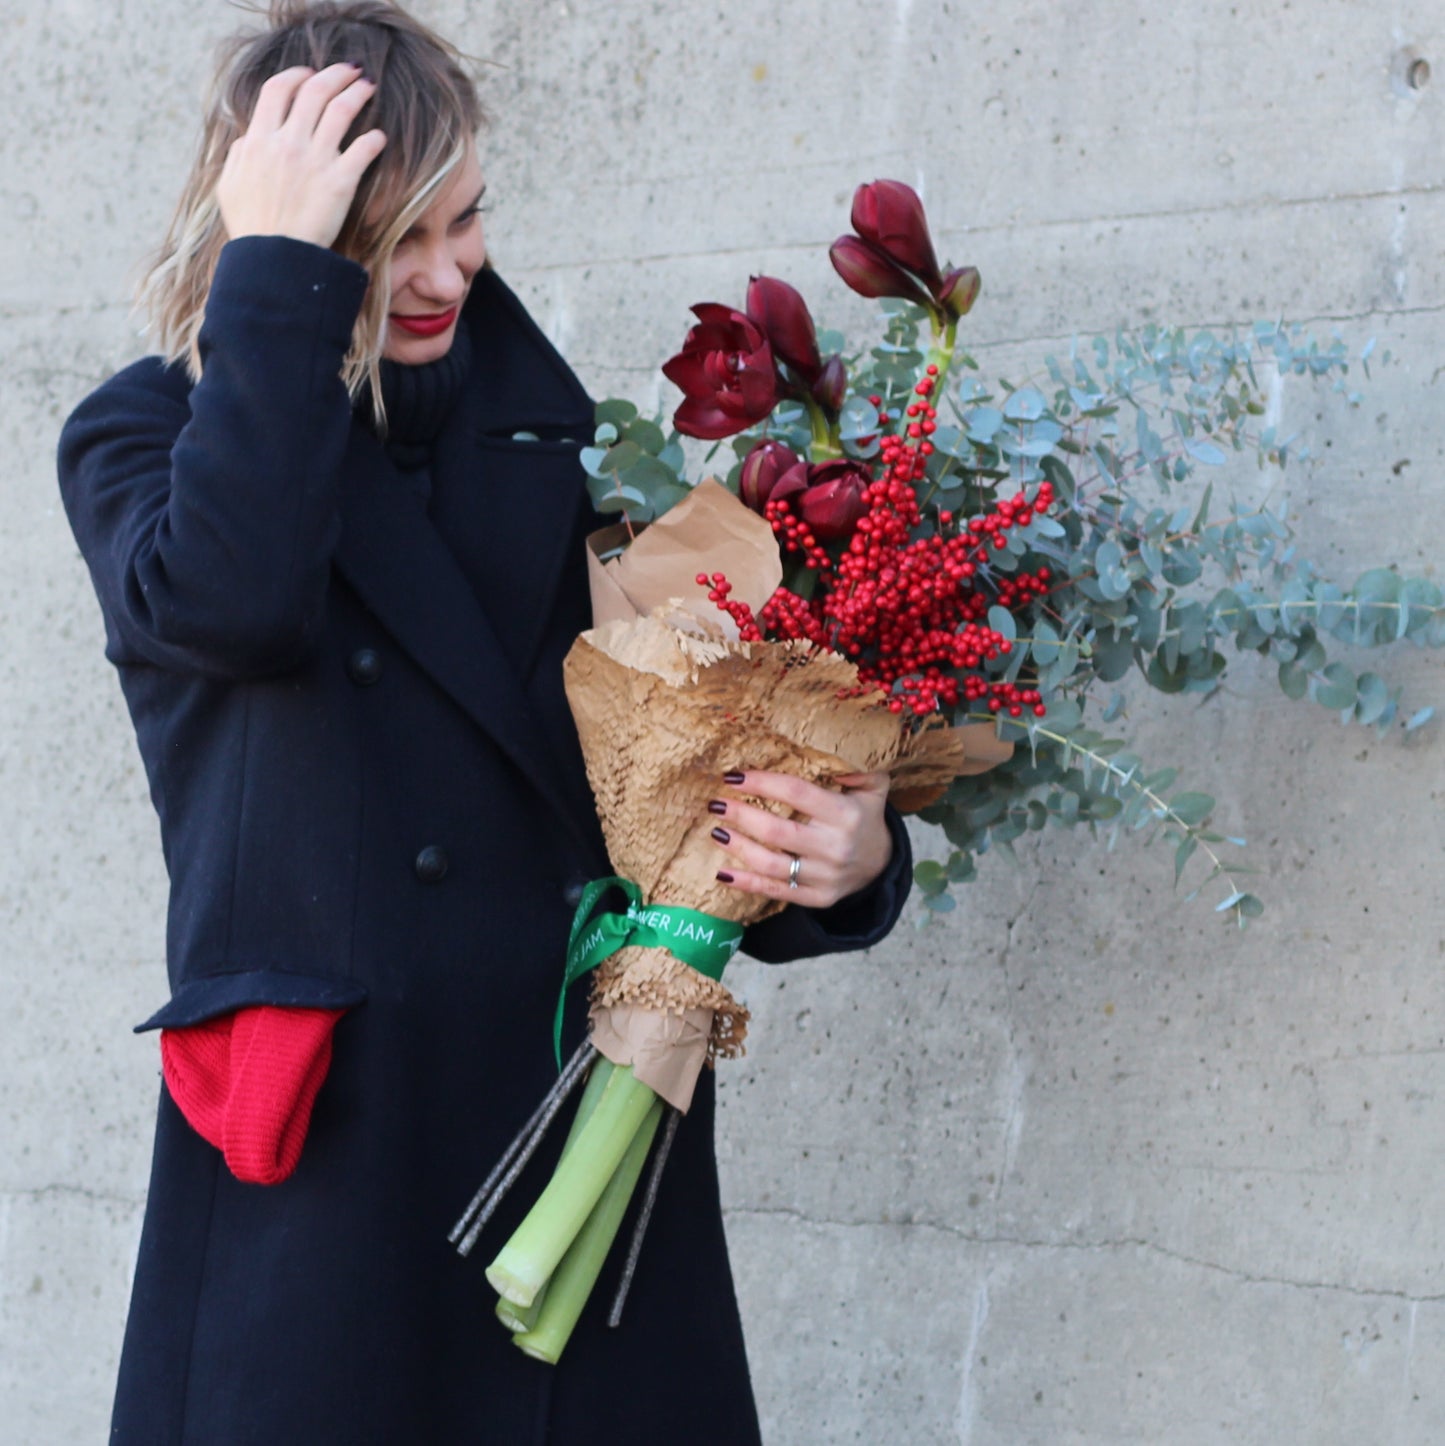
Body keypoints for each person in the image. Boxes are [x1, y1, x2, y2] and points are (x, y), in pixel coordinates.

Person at [58, 4, 913, 1441]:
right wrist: (271, 284)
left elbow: (671, 809)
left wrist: (844, 857)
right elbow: (236, 605)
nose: (449, 270)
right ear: (283, 222)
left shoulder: (582, 461)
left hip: (572, 1124)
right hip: (325, 1170)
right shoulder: (146, 437)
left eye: (468, 221)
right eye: (395, 234)